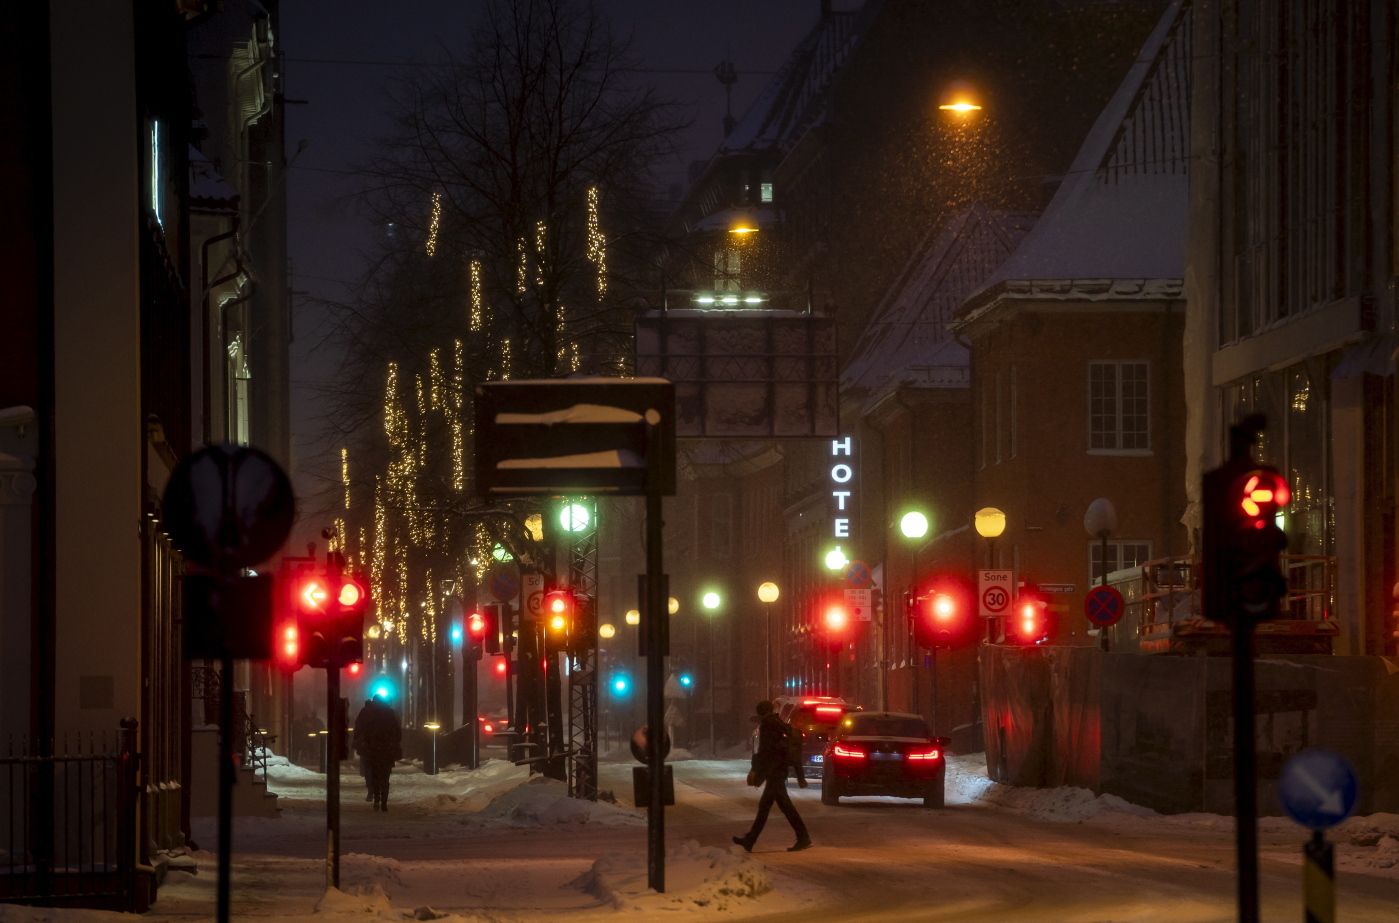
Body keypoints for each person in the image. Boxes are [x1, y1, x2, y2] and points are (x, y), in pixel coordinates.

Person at [733, 700, 812, 853]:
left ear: (761, 713)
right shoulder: (778, 723)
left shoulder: (768, 725)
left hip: (775, 772)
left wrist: (755, 770)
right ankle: (751, 840)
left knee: (774, 807)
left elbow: (765, 751)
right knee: (771, 806)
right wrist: (799, 776)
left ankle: (803, 837)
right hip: (778, 771)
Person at [353, 695, 402, 811]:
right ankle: (384, 802)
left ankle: (376, 798)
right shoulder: (389, 713)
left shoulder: (370, 714)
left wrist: (364, 743)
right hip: (386, 750)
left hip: (373, 750)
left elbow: (363, 730)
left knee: (374, 774)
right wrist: (394, 743)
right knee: (385, 777)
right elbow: (396, 731)